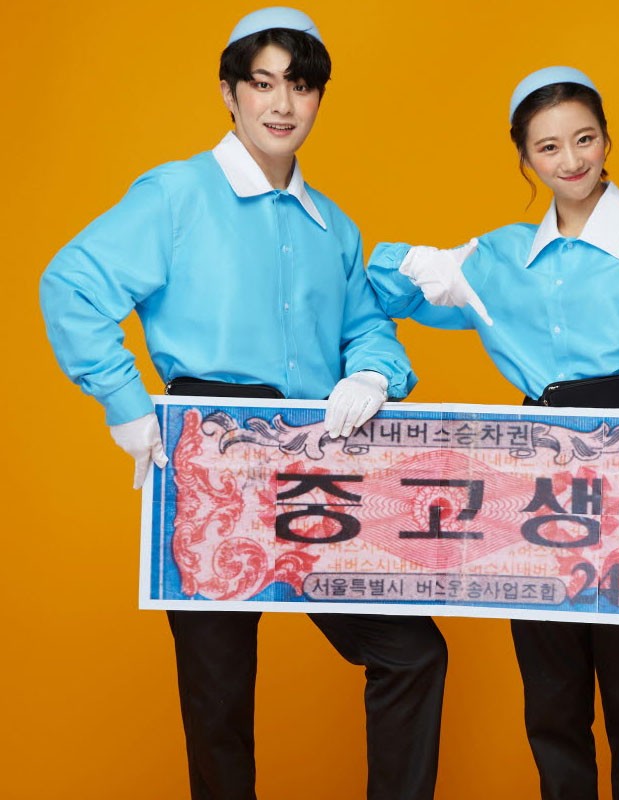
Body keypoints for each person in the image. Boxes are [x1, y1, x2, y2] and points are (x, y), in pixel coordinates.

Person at [39, 8, 447, 800]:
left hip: (315, 465)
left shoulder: (335, 229)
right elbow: (72, 284)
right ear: (229, 93)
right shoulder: (177, 193)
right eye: (262, 84)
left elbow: (369, 330)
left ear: (319, 97)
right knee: (218, 696)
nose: (282, 104)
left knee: (412, 653)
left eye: (300, 85)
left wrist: (371, 376)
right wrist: (125, 402)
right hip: (210, 459)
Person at [366, 66, 619, 800]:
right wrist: (424, 266)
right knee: (552, 699)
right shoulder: (500, 258)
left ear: (607, 139)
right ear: (525, 158)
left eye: (584, 139)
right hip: (538, 479)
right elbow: (379, 287)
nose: (571, 159)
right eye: (548, 146)